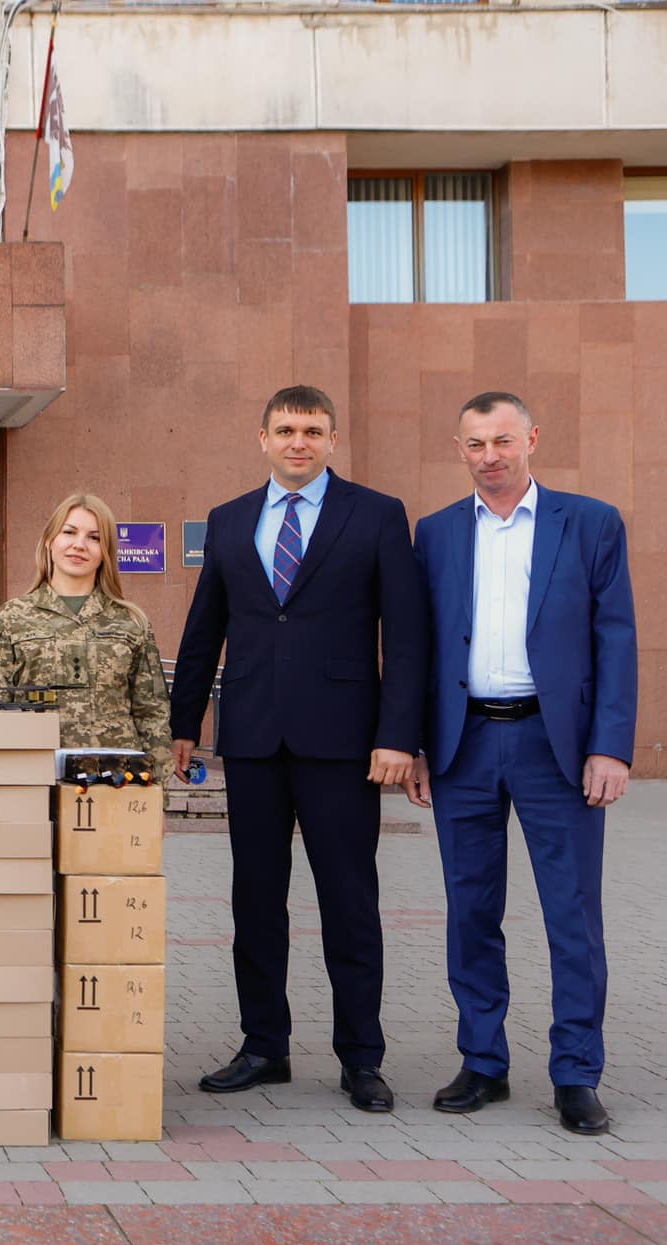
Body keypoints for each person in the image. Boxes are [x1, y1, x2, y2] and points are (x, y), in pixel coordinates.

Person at [170, 385, 428, 1114]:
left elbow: (404, 638)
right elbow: (202, 631)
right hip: (251, 738)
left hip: (346, 744)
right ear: (262, 438)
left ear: (332, 439)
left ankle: (361, 1058)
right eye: (285, 429)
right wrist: (183, 724)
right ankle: (264, 1046)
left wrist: (397, 737)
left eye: (313, 430)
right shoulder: (228, 522)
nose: (298, 442)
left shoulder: (375, 516)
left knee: (350, 903)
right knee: (255, 901)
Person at [406, 393, 635, 1137]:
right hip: (464, 744)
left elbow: (616, 639)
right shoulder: (435, 533)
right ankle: (483, 1062)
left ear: (531, 439)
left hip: (556, 748)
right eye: (474, 444)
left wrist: (611, 746)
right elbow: (419, 647)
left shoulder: (590, 523)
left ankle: (575, 1073)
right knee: (470, 913)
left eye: (503, 440)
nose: (490, 456)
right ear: (459, 447)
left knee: (572, 915)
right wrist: (413, 741)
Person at [0, 491, 175, 782]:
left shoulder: (131, 621)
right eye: (69, 532)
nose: (79, 545)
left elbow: (152, 714)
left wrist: (157, 794)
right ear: (50, 541)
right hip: (38, 779)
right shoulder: (12, 618)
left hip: (118, 781)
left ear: (105, 552)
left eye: (94, 538)